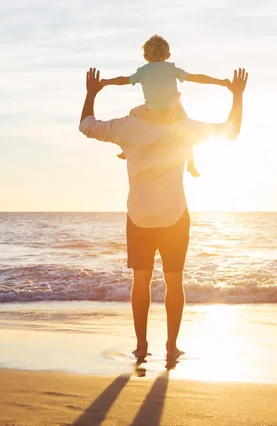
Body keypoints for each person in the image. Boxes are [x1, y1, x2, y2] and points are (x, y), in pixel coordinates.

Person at [79, 65, 248, 362]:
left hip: (139, 217)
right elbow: (230, 130)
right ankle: (171, 346)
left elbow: (87, 125)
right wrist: (236, 96)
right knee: (174, 281)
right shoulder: (185, 128)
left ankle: (141, 346)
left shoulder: (127, 126)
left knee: (140, 282)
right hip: (173, 217)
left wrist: (91, 93)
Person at [99, 34, 231, 176]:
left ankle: (125, 150)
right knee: (186, 133)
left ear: (145, 57)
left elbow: (124, 80)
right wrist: (220, 82)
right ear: (168, 55)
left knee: (132, 113)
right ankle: (191, 165)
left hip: (152, 113)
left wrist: (106, 81)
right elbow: (197, 77)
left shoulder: (143, 71)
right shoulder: (172, 69)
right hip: (174, 112)